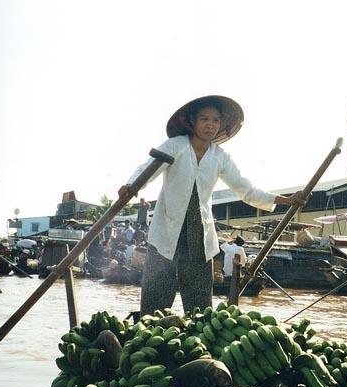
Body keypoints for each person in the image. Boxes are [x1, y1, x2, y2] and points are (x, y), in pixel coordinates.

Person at [119, 95, 305, 316]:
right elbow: (147, 169)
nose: (210, 125)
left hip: (199, 238)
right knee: (154, 299)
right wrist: (130, 186)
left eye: (215, 120)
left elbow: (245, 189)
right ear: (192, 122)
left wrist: (284, 200)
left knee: (199, 306)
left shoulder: (219, 157)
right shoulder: (175, 146)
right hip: (165, 234)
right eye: (204, 119)